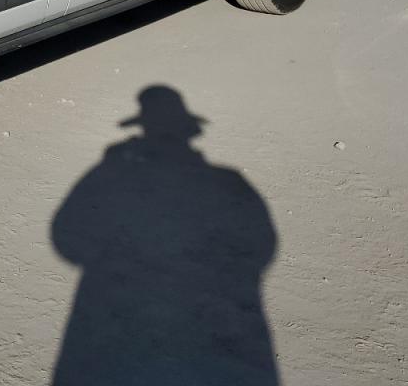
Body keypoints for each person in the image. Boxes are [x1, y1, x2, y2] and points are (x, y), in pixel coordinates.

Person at [51, 85, 279, 384]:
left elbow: (65, 234)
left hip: (118, 323)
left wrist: (106, 261)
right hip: (213, 330)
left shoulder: (114, 171)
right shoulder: (228, 181)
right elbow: (262, 246)